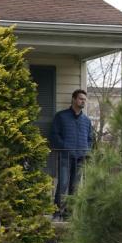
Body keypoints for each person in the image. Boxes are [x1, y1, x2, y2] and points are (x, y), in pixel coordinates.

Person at [50, 89, 93, 220]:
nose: (83, 102)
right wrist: (64, 147)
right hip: (65, 157)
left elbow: (90, 138)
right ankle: (57, 213)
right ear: (74, 99)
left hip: (80, 158)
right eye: (81, 99)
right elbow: (54, 136)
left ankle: (69, 214)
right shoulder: (61, 116)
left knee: (75, 188)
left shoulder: (86, 121)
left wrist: (87, 150)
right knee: (62, 185)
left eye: (85, 100)